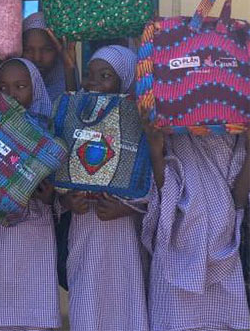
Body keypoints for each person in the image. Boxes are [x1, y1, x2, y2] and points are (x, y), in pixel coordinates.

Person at [140, 74, 250, 327]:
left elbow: (239, 199)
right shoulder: (173, 129)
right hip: (177, 240)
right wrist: (156, 149)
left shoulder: (232, 130)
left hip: (223, 241)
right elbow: (164, 190)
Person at [0, 58, 60, 331]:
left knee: (35, 311)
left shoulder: (48, 131)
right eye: (3, 88)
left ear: (35, 89)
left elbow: (60, 190)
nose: (12, 95)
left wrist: (50, 197)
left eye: (20, 86)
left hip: (35, 234)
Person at [60, 45, 151, 331]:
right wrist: (67, 202)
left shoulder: (138, 126)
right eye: (89, 75)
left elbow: (152, 183)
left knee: (126, 307)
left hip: (124, 238)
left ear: (124, 82)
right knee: (86, 308)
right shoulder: (79, 119)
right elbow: (61, 171)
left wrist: (126, 208)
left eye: (105, 76)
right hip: (84, 231)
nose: (93, 83)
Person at [21, 12, 77, 101]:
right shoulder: (10, 89)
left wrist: (69, 69)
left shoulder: (67, 85)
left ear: (57, 51)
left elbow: (71, 111)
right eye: (28, 50)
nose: (37, 58)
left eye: (47, 49)